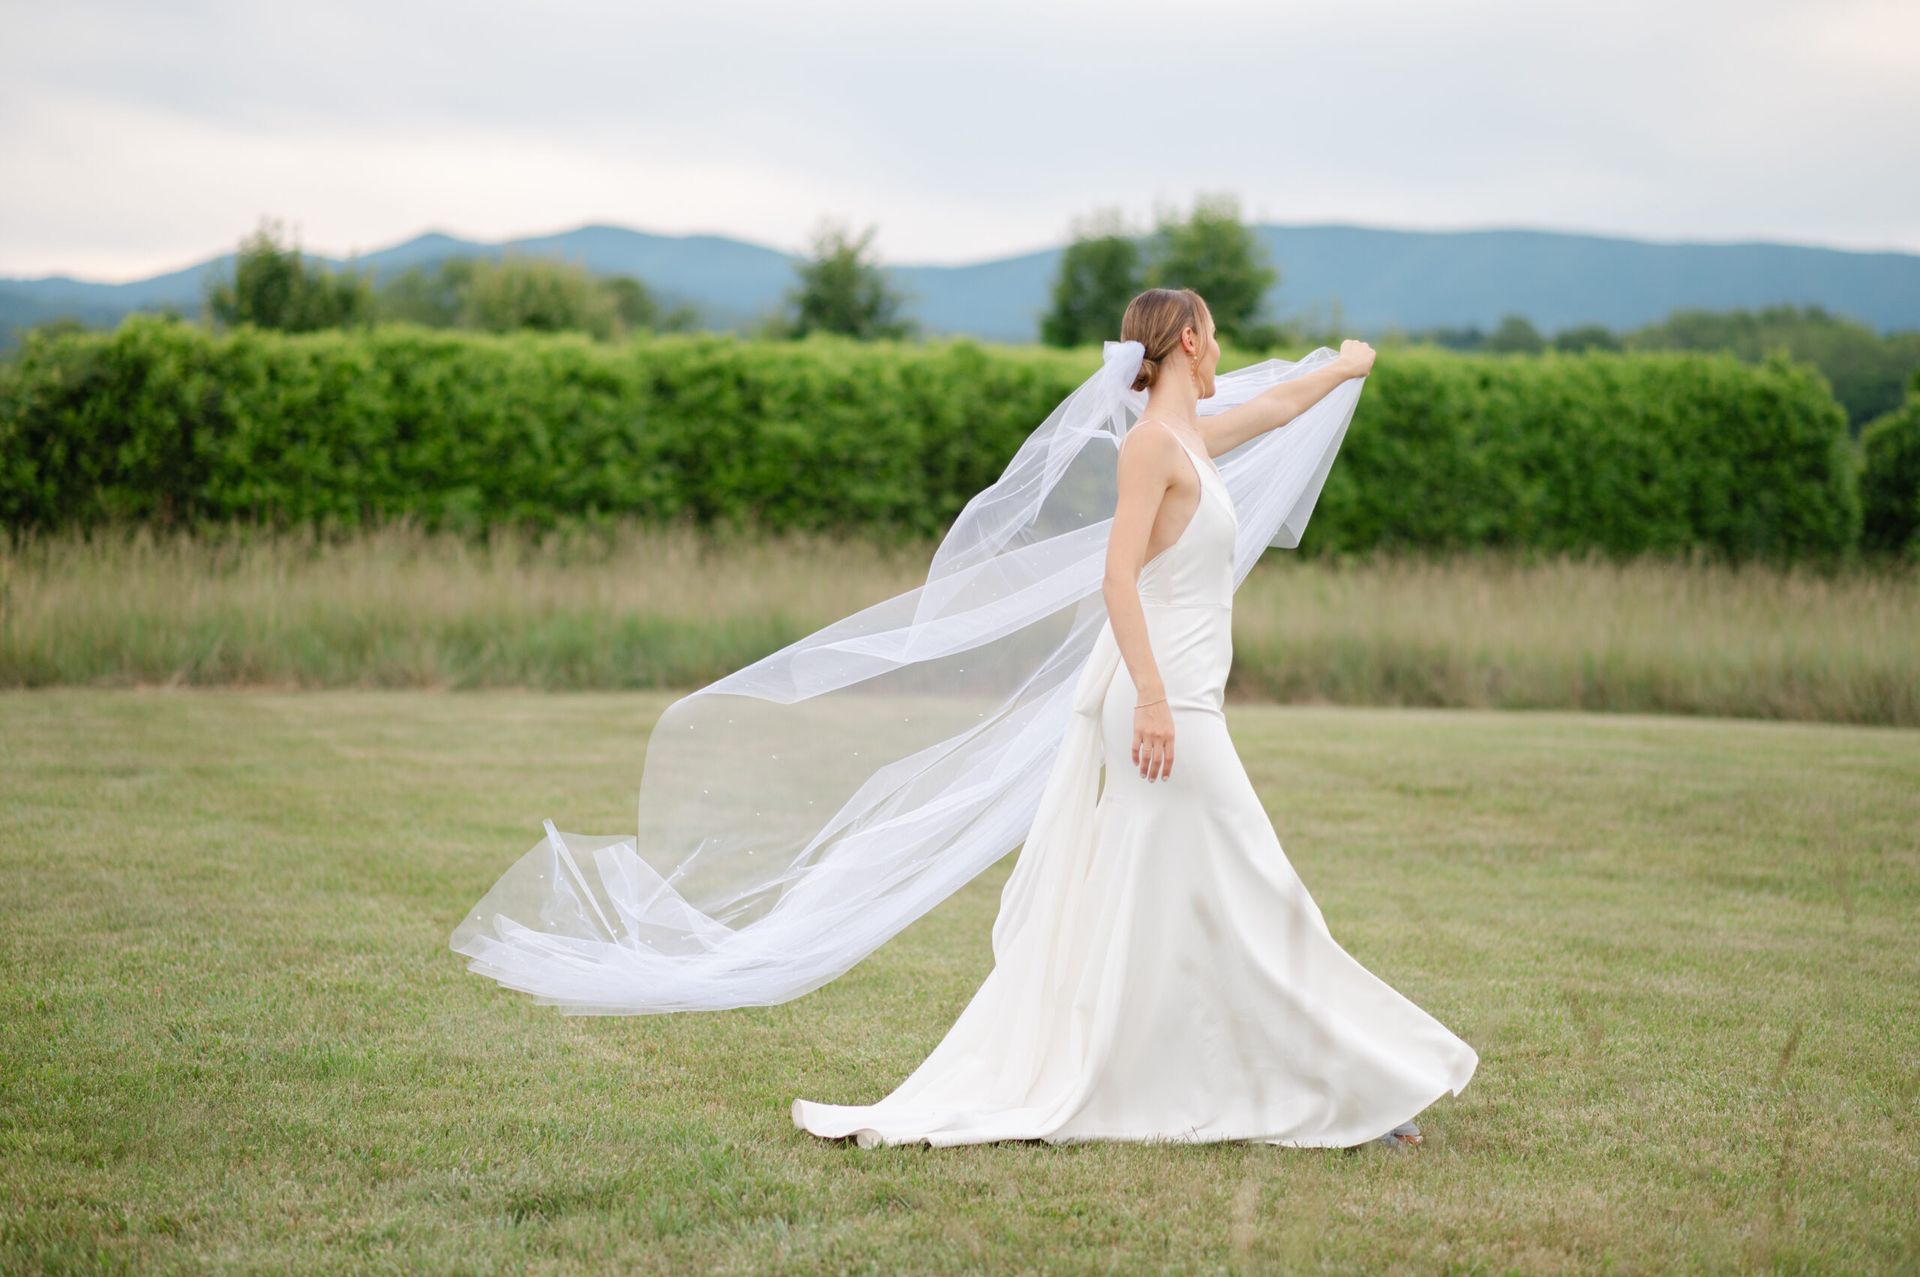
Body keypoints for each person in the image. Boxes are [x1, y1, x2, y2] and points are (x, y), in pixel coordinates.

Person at [789, 288, 1478, 1150]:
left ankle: (1239, 1075)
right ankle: (1351, 1086)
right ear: (1189, 340)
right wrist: (1152, 698)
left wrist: (1343, 367)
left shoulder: (1193, 438)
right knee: (1262, 888)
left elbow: (1272, 406)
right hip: (1166, 705)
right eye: (1217, 335)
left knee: (1186, 898)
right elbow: (1118, 579)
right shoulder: (1152, 445)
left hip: (1187, 698)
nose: (1224, 350)